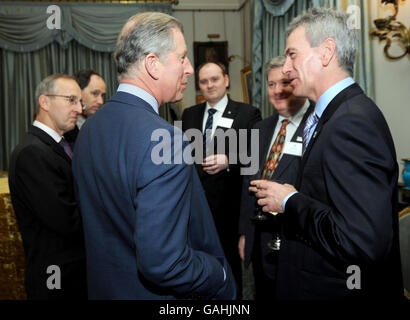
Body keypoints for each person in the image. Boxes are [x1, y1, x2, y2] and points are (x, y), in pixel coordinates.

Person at [72, 12, 237, 300]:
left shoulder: (89, 129)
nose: (189, 69)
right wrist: (219, 273)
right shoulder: (166, 139)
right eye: (182, 57)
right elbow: (165, 263)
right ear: (153, 64)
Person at [250, 8, 403, 300]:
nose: (285, 68)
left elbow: (361, 240)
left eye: (292, 54)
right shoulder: (334, 115)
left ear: (326, 52)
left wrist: (290, 201)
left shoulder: (351, 122)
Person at [182, 61, 262, 297]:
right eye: (204, 82)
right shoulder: (189, 115)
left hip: (230, 210)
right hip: (196, 209)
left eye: (214, 79)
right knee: (198, 270)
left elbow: (256, 155)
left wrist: (229, 160)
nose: (210, 85)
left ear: (226, 80)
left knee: (230, 271)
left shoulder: (248, 113)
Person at [238, 55, 311, 300]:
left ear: (297, 82)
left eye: (284, 83)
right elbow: (246, 184)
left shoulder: (315, 127)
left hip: (297, 243)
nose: (277, 90)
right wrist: (244, 233)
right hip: (259, 240)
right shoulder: (259, 129)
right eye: (271, 84)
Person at [8, 74, 87, 299]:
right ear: (45, 102)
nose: (79, 109)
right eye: (71, 100)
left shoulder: (61, 145)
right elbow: (66, 220)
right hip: (56, 276)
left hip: (72, 272)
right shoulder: (32, 153)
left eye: (79, 101)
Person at [64, 70, 106, 147]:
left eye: (102, 96)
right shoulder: (64, 128)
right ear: (77, 92)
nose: (100, 101)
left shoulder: (103, 126)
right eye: (95, 93)